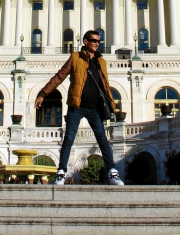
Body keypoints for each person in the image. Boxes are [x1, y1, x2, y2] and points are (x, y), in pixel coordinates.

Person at [35, 30, 124, 186]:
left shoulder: (101, 61)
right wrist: (43, 93)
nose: (97, 43)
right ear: (85, 41)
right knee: (69, 138)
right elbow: (59, 76)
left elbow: (105, 85)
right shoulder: (75, 57)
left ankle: (112, 171)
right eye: (94, 40)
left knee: (102, 139)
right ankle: (61, 172)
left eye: (98, 41)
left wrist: (111, 104)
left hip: (94, 108)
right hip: (77, 106)